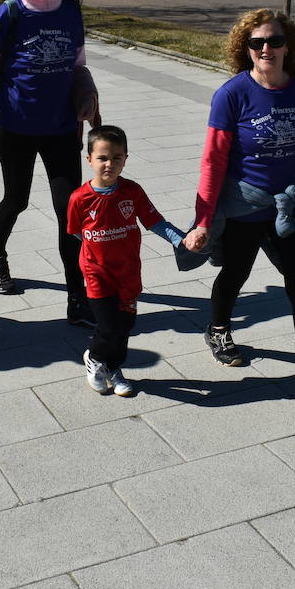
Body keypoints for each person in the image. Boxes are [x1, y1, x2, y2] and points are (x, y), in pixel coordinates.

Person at [180, 8, 295, 410]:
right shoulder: (232, 94)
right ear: (245, 48)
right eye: (257, 42)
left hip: (294, 206)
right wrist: (204, 219)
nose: (266, 48)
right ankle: (218, 328)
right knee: (235, 273)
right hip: (245, 206)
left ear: (288, 45)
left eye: (274, 40)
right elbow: (213, 161)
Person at [0, 0, 99, 324]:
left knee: (69, 213)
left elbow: (77, 67)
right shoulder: (11, 12)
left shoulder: (71, 11)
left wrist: (87, 96)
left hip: (61, 130)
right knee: (16, 200)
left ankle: (78, 296)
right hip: (16, 129)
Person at [67, 125, 186, 397]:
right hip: (97, 273)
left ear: (125, 158)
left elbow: (154, 221)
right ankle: (94, 358)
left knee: (125, 327)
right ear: (89, 160)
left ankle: (113, 368)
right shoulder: (79, 199)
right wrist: (97, 252)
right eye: (102, 158)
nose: (110, 164)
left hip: (128, 273)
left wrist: (181, 240)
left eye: (117, 158)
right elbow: (75, 232)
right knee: (108, 326)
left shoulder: (132, 191)